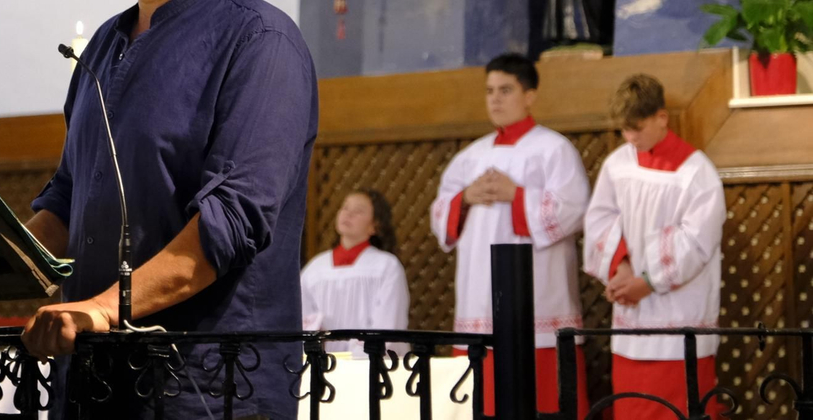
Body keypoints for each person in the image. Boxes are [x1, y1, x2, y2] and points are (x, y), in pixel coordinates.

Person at [21, 0, 318, 420]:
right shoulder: (106, 44)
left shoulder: (260, 42)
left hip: (207, 388)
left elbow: (229, 223)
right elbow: (67, 200)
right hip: (95, 385)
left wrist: (103, 308)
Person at [430, 53, 590, 415]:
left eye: (505, 90)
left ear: (530, 95)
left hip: (539, 299)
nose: (495, 99)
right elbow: (440, 214)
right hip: (478, 298)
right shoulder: (470, 157)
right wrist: (464, 199)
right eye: (489, 91)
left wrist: (517, 196)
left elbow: (573, 209)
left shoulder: (554, 149)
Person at [583, 74, 726, 420]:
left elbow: (696, 242)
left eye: (637, 128)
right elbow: (600, 219)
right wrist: (621, 270)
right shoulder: (618, 164)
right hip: (632, 318)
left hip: (680, 318)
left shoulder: (697, 172)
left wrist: (647, 282)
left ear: (661, 118)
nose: (630, 138)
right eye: (624, 130)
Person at [300, 189, 409, 358]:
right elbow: (304, 317)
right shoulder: (315, 268)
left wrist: (359, 356)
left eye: (358, 211)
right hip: (322, 365)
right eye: (345, 208)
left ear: (375, 225)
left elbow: (389, 322)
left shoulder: (386, 266)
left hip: (369, 365)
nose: (348, 214)